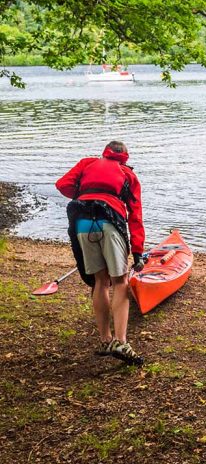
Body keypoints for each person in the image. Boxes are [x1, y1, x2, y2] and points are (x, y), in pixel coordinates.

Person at [55, 141, 145, 365]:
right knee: (120, 281)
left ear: (105, 152)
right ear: (125, 156)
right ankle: (121, 341)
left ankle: (105, 340)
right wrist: (137, 252)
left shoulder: (87, 163)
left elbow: (62, 184)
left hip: (82, 223)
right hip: (110, 222)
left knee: (100, 281)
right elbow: (135, 216)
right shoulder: (128, 174)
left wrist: (85, 193)